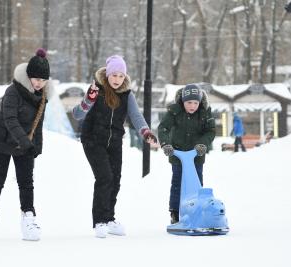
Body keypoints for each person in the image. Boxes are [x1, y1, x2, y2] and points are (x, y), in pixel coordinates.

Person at [72, 55, 157, 238]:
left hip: (114, 141)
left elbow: (136, 117)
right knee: (104, 177)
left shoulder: (127, 95)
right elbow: (78, 114)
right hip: (93, 140)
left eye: (121, 76)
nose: (117, 79)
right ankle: (99, 221)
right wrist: (88, 99)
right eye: (114, 75)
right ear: (107, 75)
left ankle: (109, 218)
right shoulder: (97, 90)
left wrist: (146, 133)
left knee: (115, 179)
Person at [0, 48, 50, 241]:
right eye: (36, 79)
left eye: (43, 80)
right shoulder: (13, 92)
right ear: (28, 76)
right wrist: (26, 142)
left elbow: (38, 123)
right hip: (2, 141)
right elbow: (10, 120)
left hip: (24, 144)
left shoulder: (43, 97)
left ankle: (28, 216)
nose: (39, 83)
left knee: (26, 183)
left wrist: (37, 147)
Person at [158, 84, 215, 224]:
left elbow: (211, 131)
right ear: (183, 101)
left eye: (195, 103)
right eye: (189, 102)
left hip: (197, 155)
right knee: (177, 182)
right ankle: (175, 212)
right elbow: (163, 128)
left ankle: (197, 209)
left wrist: (202, 144)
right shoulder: (174, 111)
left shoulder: (204, 113)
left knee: (196, 183)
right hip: (178, 154)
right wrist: (166, 144)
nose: (192, 106)